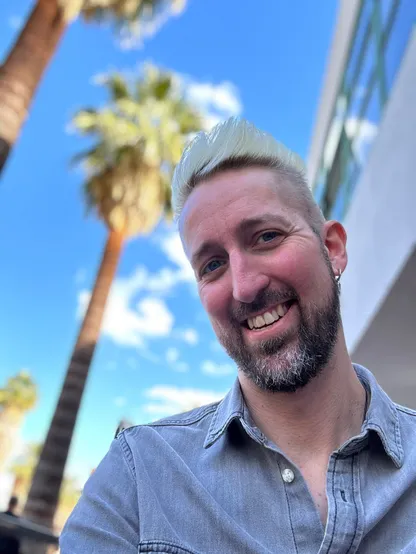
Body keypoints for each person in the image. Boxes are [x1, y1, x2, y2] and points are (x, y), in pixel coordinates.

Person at [60, 118, 416, 553]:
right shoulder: (139, 478)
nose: (244, 286)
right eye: (212, 265)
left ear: (333, 249)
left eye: (267, 237)